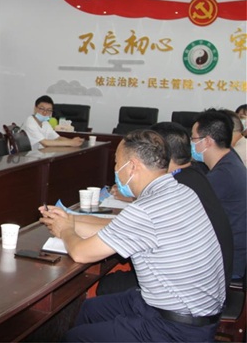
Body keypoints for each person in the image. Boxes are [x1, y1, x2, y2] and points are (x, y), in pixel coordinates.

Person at [42, 130, 225, 342]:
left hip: (178, 327)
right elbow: (118, 228)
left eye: (116, 163)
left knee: (74, 338)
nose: (115, 170)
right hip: (187, 309)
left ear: (133, 166)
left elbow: (81, 253)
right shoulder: (182, 191)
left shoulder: (147, 209)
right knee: (92, 309)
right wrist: (69, 221)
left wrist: (65, 230)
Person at [95, 122, 234, 296]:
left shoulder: (177, 186)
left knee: (107, 284)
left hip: (188, 287)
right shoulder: (191, 174)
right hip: (208, 278)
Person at [192, 109, 246, 278]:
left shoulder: (223, 175)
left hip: (228, 262)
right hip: (225, 251)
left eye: (193, 139)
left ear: (207, 141)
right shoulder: (229, 158)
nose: (191, 144)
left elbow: (188, 210)